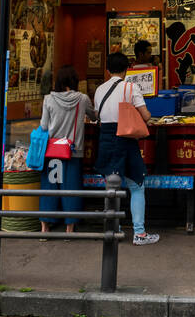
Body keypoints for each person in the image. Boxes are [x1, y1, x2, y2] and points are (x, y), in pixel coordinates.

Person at [94, 51, 159, 246]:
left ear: (107, 70)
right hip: (125, 139)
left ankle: (113, 230)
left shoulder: (99, 90)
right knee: (137, 186)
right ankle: (139, 234)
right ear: (127, 69)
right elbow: (146, 116)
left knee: (111, 188)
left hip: (105, 139)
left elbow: (98, 116)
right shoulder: (131, 87)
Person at [39, 67, 96, 235]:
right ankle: (69, 228)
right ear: (74, 81)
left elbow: (43, 126)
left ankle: (45, 228)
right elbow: (93, 117)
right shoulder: (82, 99)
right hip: (73, 151)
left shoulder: (48, 99)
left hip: (51, 151)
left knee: (49, 188)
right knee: (71, 188)